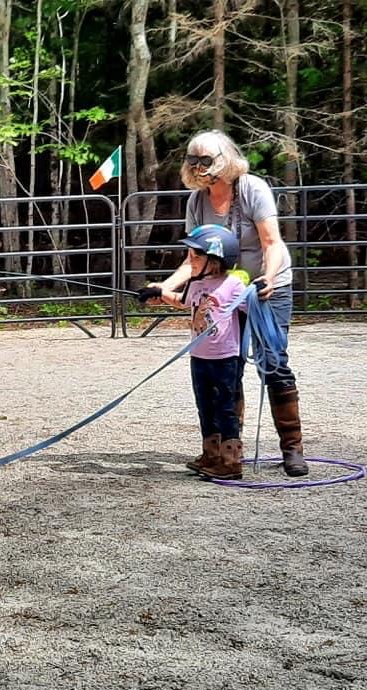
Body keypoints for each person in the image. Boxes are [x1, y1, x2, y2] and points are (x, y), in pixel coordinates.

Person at [151, 129, 308, 477]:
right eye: (192, 160)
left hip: (266, 287)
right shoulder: (197, 202)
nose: (198, 167)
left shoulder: (251, 189)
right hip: (223, 293)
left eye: (205, 160)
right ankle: (225, 454)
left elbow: (272, 242)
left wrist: (267, 276)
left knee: (274, 362)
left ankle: (292, 448)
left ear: (225, 160)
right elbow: (194, 260)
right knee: (227, 366)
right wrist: (164, 286)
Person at [139, 225, 247, 479]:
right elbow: (182, 302)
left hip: (225, 358)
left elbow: (251, 308)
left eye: (197, 256)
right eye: (190, 255)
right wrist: (159, 292)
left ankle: (231, 461)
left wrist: (263, 291)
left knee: (225, 407)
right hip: (199, 356)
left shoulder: (232, 285)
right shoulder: (196, 284)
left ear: (217, 259)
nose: (191, 261)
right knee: (205, 406)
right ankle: (211, 454)